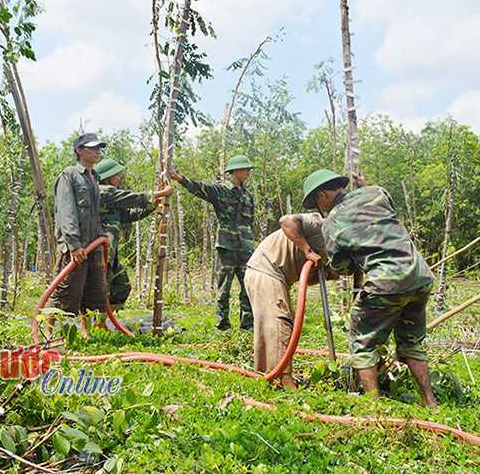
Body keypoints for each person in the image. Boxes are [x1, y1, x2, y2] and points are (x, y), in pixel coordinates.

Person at [302, 169, 437, 406]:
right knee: (412, 342)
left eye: (316, 202)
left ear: (323, 195)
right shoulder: (376, 192)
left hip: (386, 282)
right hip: (419, 276)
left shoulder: (332, 222)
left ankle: (373, 406)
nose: (319, 208)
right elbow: (387, 218)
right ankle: (429, 401)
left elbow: (342, 267)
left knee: (363, 341)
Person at [244, 212, 334, 388]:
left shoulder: (332, 248)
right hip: (266, 269)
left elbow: (305, 278)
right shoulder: (318, 225)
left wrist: (329, 273)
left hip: (270, 274)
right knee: (280, 322)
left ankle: (266, 376)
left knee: (268, 325)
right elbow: (286, 221)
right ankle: (284, 380)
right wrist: (307, 250)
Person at [170, 155, 255, 331]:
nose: (248, 172)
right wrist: (180, 179)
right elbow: (200, 188)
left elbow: (250, 220)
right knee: (224, 287)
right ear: (235, 171)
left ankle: (247, 325)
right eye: (245, 169)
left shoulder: (248, 196)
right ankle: (222, 324)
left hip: (245, 248)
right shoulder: (221, 190)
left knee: (248, 286)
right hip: (227, 246)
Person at [45, 132, 109, 339]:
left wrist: (102, 235)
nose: (98, 152)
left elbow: (94, 212)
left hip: (93, 245)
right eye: (93, 148)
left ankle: (84, 332)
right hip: (75, 247)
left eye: (100, 148)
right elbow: (66, 211)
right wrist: (73, 244)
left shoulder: (95, 177)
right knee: (65, 290)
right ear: (79, 151)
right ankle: (48, 334)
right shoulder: (69, 175)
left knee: (93, 290)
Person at [97, 158, 173, 310]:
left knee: (122, 285)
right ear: (108, 177)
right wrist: (160, 193)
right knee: (97, 290)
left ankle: (101, 322)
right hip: (97, 252)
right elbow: (131, 198)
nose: (119, 178)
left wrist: (152, 205)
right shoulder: (102, 191)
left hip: (109, 253)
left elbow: (131, 215)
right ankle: (88, 326)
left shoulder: (113, 200)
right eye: (116, 175)